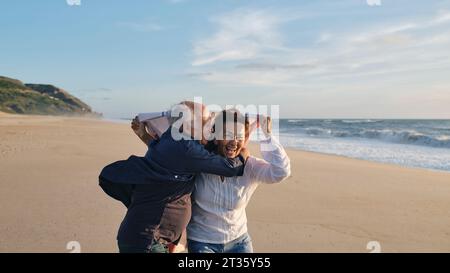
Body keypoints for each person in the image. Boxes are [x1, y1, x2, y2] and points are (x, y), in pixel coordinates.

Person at [99, 101, 248, 253]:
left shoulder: (169, 140)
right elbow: (230, 168)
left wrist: (144, 136)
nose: (209, 127)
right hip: (148, 242)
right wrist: (244, 152)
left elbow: (167, 156)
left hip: (141, 237)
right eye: (205, 122)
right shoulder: (186, 149)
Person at [187, 109, 291, 253]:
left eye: (239, 137)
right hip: (202, 241)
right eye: (227, 135)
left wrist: (267, 135)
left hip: (239, 241)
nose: (234, 142)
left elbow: (281, 171)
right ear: (216, 138)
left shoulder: (249, 166)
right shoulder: (199, 162)